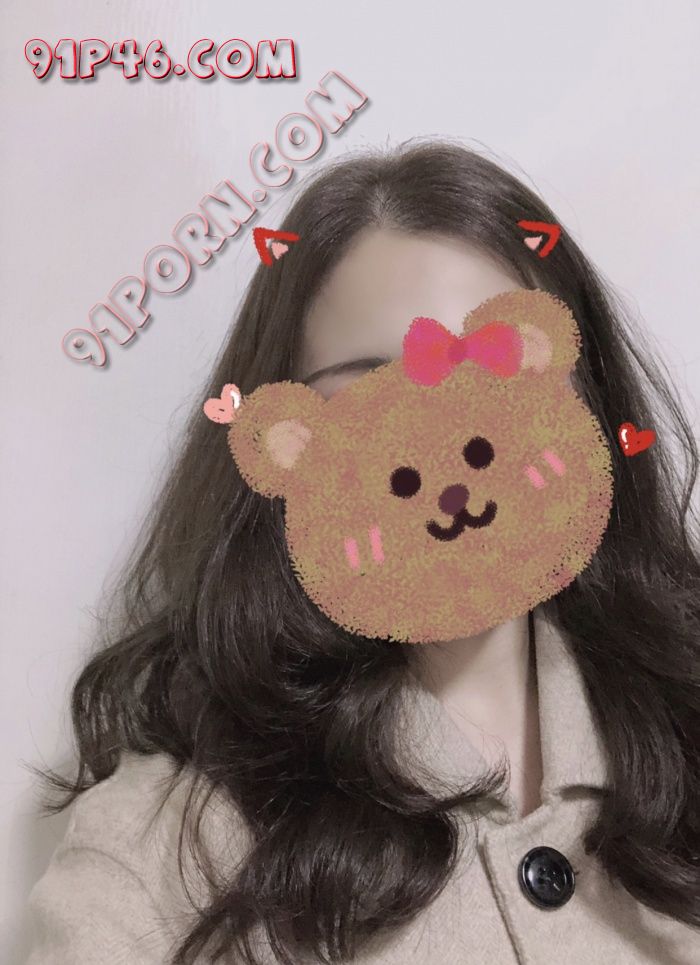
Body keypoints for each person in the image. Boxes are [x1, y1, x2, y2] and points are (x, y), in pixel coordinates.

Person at [24, 138, 700, 965]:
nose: (445, 450)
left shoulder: (679, 726)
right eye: (371, 392)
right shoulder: (162, 853)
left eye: (494, 368)